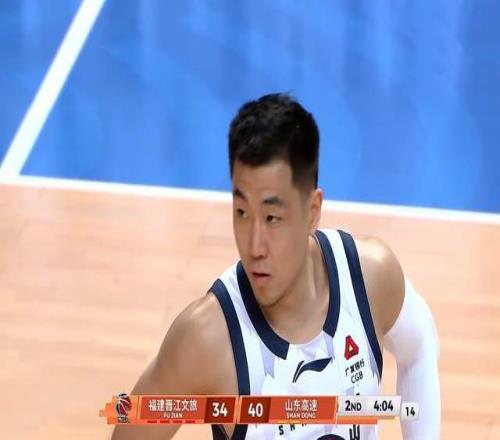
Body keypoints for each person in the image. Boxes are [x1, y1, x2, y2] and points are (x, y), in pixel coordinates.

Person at [111, 93, 440, 440]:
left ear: (312, 211)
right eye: (241, 213)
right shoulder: (207, 337)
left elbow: (421, 345)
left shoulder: (370, 277)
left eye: (272, 217)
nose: (254, 247)